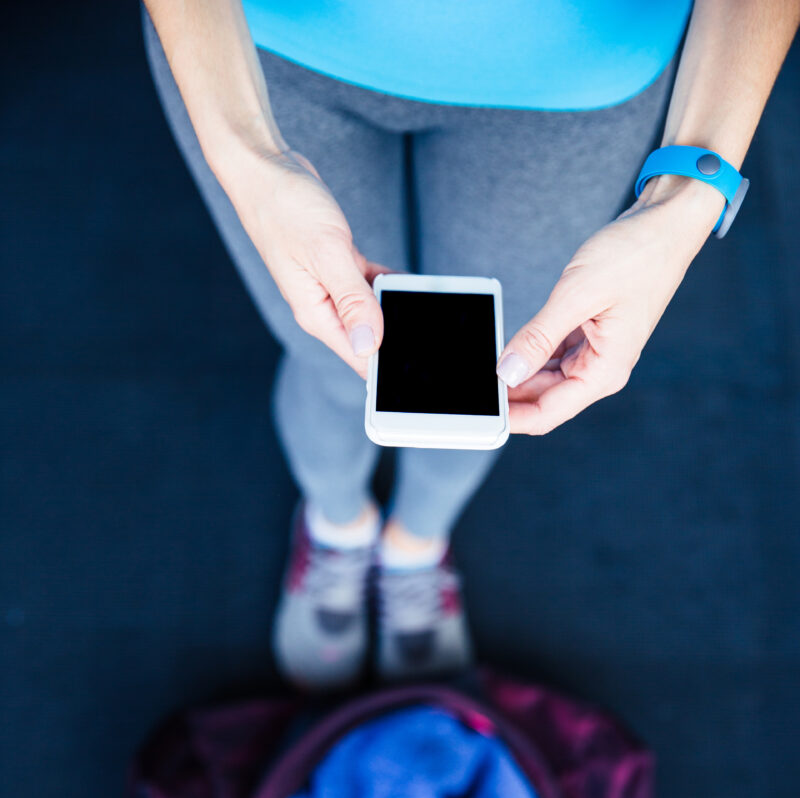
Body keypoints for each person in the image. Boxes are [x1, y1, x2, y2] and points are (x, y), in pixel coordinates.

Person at [141, 0, 799, 691]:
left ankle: (414, 543)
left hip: (575, 80)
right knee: (332, 358)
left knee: (486, 378)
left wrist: (688, 199)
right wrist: (249, 158)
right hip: (267, 46)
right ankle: (337, 525)